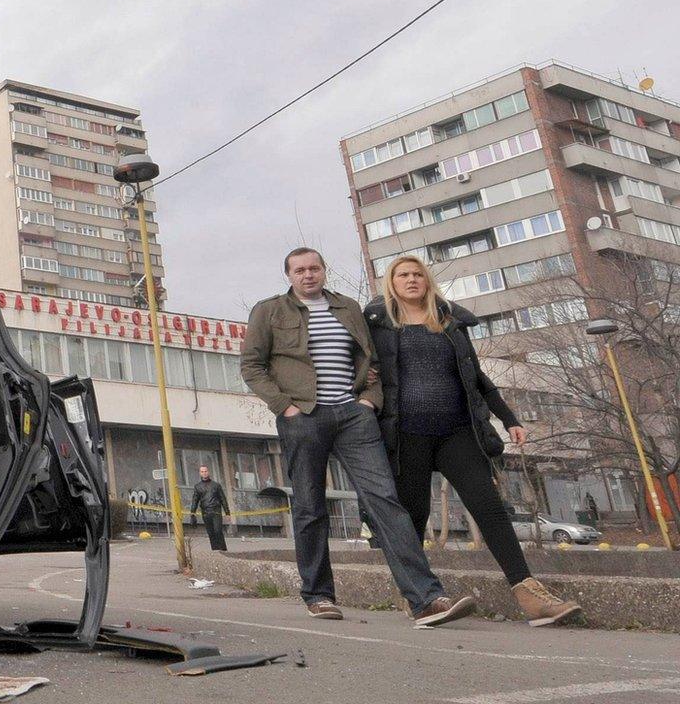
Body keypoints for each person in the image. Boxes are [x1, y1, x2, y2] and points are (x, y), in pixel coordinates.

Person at [241, 247, 476, 627]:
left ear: (324, 271)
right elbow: (252, 365)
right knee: (310, 506)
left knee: (385, 500)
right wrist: (283, 406)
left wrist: (369, 400)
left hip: (353, 415)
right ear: (288, 275)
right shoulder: (269, 311)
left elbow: (373, 360)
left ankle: (427, 599)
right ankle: (319, 595)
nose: (308, 275)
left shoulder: (349, 307)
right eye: (299, 270)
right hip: (303, 415)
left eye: (314, 268)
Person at [365, 255, 583, 627]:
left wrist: (509, 417)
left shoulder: (450, 323)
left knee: (490, 508)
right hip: (406, 436)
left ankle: (529, 594)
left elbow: (476, 378)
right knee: (413, 516)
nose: (412, 279)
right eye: (403, 275)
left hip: (457, 433)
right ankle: (419, 596)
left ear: (427, 280)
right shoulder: (379, 326)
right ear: (392, 282)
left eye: (418, 274)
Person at [192, 465, 230, 551]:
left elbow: (223, 499)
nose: (204, 473)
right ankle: (215, 551)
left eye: (205, 471)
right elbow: (195, 500)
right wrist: (192, 513)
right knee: (211, 533)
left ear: (208, 472)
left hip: (216, 512)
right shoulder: (197, 487)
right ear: (200, 473)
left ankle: (223, 550)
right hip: (205, 513)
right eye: (202, 471)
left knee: (218, 531)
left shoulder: (216, 485)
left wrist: (227, 512)